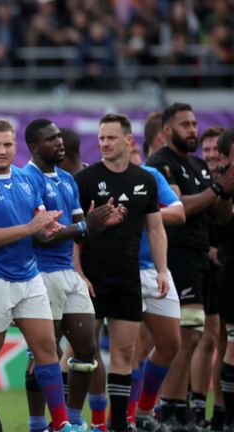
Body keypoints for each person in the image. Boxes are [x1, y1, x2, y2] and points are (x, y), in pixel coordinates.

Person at [0, 118, 77, 432]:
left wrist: (49, 226)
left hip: (30, 276)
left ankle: (61, 424)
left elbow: (38, 223)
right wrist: (30, 228)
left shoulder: (26, 180)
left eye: (7, 144)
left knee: (47, 349)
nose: (2, 150)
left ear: (16, 146)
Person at [21, 118, 124, 431]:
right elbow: (44, 235)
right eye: (51, 139)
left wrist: (98, 221)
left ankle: (73, 420)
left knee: (86, 348)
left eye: (59, 137)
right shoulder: (28, 179)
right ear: (34, 147)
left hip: (67, 272)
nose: (59, 142)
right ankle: (38, 423)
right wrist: (84, 225)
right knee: (44, 352)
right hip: (41, 273)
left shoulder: (67, 179)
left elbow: (80, 232)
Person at [75, 113, 167, 432]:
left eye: (110, 138)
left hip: (128, 277)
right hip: (93, 277)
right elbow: (75, 233)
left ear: (128, 141)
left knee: (124, 351)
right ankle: (72, 420)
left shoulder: (146, 180)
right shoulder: (86, 180)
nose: (103, 143)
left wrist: (162, 271)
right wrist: (79, 274)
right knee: (83, 350)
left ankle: (118, 422)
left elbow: (155, 230)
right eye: (101, 138)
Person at [145, 104, 234, 430]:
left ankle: (182, 408)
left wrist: (224, 188)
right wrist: (216, 188)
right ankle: (170, 410)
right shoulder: (161, 165)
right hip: (177, 252)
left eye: (195, 123)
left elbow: (221, 215)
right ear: (167, 130)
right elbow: (181, 207)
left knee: (207, 335)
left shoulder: (197, 164)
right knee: (187, 334)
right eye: (185, 124)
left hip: (201, 257)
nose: (193, 129)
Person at [125, 139, 185, 432]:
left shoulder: (151, 176)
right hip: (124, 271)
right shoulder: (103, 178)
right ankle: (127, 419)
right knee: (131, 349)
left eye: (134, 153)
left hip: (156, 271)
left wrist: (144, 211)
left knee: (171, 342)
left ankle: (145, 410)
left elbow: (179, 212)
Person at [191, 124, 227, 428]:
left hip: (223, 268)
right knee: (204, 338)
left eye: (217, 150)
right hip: (204, 267)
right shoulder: (199, 184)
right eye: (207, 150)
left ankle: (219, 411)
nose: (212, 155)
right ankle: (196, 406)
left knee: (220, 339)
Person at [212, 128, 234, 432]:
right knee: (231, 344)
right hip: (232, 272)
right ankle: (229, 419)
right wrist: (224, 188)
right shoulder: (221, 187)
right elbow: (221, 219)